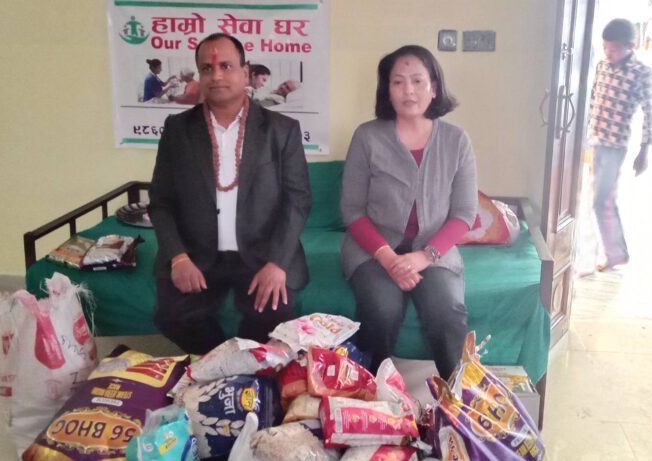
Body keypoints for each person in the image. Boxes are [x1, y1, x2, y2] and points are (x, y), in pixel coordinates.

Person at [148, 33, 311, 354]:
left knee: (274, 315)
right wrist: (178, 258)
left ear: (245, 72)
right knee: (171, 316)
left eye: (226, 66)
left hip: (262, 253)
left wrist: (278, 262)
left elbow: (298, 200)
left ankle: (245, 367)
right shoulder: (178, 130)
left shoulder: (281, 130)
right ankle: (223, 361)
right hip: (197, 253)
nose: (216, 76)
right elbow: (161, 203)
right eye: (207, 69)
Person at [340, 44, 477, 377]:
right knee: (381, 310)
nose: (408, 91)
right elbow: (352, 210)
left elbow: (464, 213)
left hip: (434, 251)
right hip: (373, 250)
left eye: (418, 81)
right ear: (387, 90)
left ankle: (455, 395)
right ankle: (371, 392)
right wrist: (390, 259)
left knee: (446, 311)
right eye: (398, 82)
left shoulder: (456, 140)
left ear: (434, 87)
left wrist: (425, 256)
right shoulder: (367, 136)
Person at [586, 18, 652, 271]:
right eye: (605, 48)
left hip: (616, 145)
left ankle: (616, 253)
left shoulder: (640, 72)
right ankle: (611, 252)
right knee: (598, 200)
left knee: (602, 201)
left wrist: (644, 150)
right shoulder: (602, 66)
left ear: (630, 46)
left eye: (613, 49)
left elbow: (649, 113)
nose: (608, 53)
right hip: (595, 141)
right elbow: (593, 100)